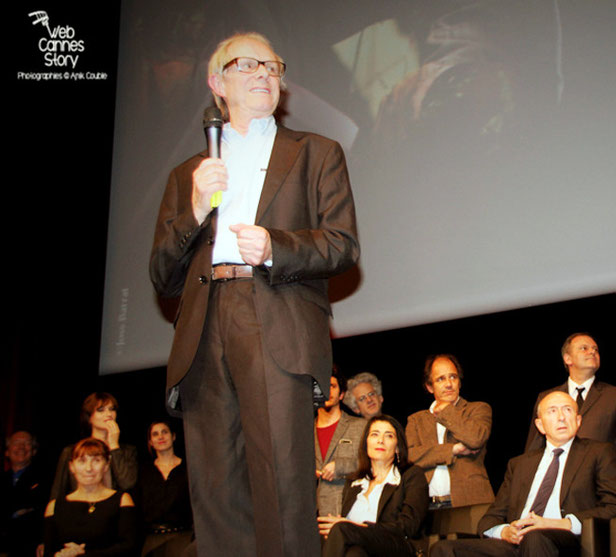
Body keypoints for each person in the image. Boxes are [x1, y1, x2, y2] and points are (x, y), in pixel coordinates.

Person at [148, 31, 359, 557]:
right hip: (203, 326)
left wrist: (274, 247)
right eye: (248, 65)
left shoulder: (316, 152)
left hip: (275, 315)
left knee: (283, 483)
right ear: (217, 83)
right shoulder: (187, 175)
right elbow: (162, 276)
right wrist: (195, 211)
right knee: (217, 490)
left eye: (273, 65)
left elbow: (342, 244)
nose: (265, 73)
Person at [431, 390, 616, 557]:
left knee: (536, 538)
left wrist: (560, 524)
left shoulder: (598, 452)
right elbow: (490, 519)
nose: (561, 417)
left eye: (567, 410)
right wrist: (506, 531)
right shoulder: (519, 465)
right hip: (515, 543)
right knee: (444, 549)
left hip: (565, 541)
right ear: (540, 425)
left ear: (578, 421)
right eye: (552, 411)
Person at [317, 415, 429, 557]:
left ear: (397, 447)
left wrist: (356, 527)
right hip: (360, 550)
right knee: (354, 553)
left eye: (388, 436)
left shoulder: (411, 475)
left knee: (340, 529)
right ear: (366, 443)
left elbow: (408, 526)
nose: (380, 441)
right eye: (375, 434)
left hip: (397, 547)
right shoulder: (354, 481)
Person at [526, 334, 616, 465]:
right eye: (584, 348)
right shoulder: (547, 397)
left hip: (597, 477)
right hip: (555, 474)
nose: (592, 352)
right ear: (567, 358)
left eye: (595, 349)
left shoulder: (615, 396)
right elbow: (534, 446)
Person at [406, 354, 494, 509]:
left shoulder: (478, 409)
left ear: (459, 382)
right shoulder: (416, 420)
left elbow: (475, 439)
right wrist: (452, 450)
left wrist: (447, 410)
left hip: (470, 503)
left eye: (453, 377)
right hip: (426, 507)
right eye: (441, 379)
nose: (448, 384)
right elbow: (410, 457)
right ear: (429, 386)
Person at [43, 438, 141, 557]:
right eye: (82, 461)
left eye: (96, 461)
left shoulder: (122, 500)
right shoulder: (53, 507)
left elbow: (129, 548)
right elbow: (48, 552)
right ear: (71, 466)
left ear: (106, 465)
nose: (89, 468)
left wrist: (83, 554)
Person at [51, 393, 138, 500]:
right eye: (101, 410)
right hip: (80, 510)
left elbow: (127, 483)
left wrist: (114, 446)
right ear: (89, 417)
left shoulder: (127, 451)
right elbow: (57, 492)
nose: (108, 414)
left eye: (111, 409)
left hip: (115, 511)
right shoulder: (71, 451)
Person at [136, 421, 193, 557]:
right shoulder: (144, 471)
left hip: (183, 537)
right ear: (150, 442)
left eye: (164, 432)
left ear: (173, 436)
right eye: (155, 434)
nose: (161, 437)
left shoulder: (188, 468)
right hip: (152, 539)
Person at [316, 368, 366, 517]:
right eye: (321, 386)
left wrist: (340, 466)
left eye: (331, 386)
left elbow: (371, 463)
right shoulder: (303, 432)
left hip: (346, 511)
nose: (326, 390)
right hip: (309, 516)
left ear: (341, 394)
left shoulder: (360, 426)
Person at [1, 431, 48, 557]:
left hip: (28, 548)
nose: (21, 447)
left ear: (33, 451)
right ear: (7, 451)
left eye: (27, 443)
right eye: (16, 443)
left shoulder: (44, 479)